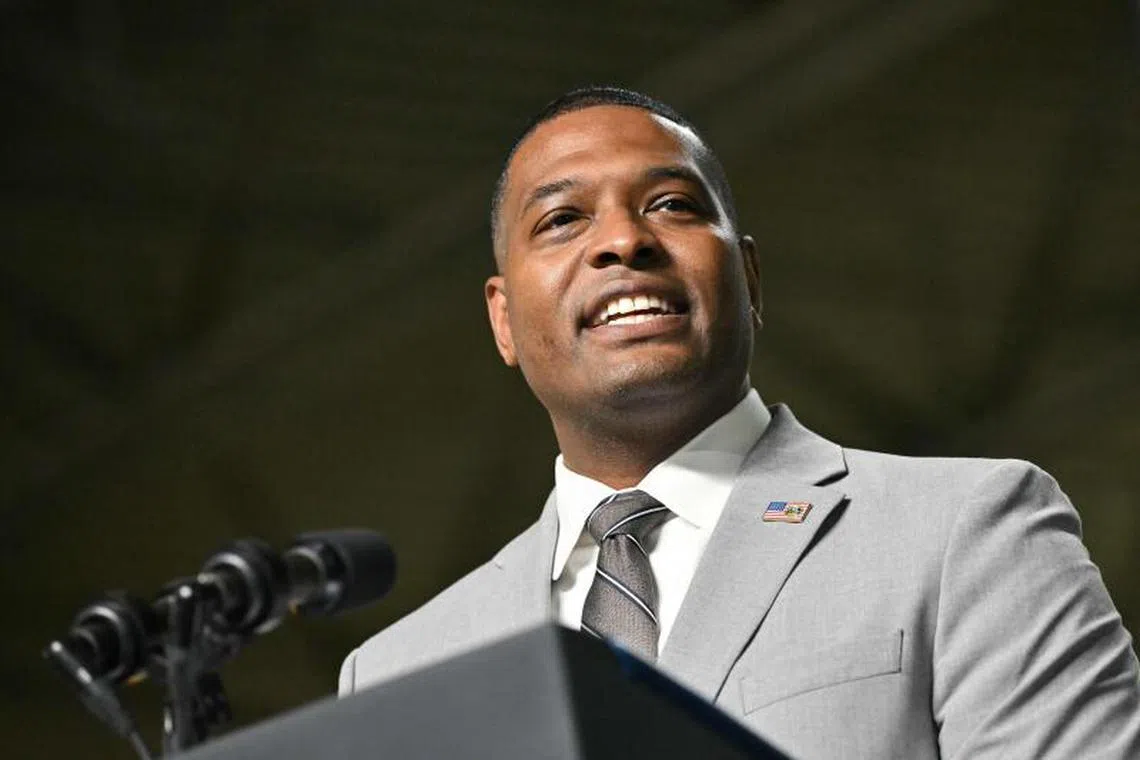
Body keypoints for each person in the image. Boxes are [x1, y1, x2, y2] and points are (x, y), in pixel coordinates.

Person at [338, 87, 1140, 758]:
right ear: (504, 321)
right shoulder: (395, 672)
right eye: (561, 220)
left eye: (672, 204)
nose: (623, 240)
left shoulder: (969, 531)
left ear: (748, 278)